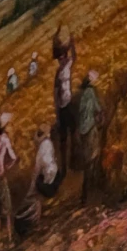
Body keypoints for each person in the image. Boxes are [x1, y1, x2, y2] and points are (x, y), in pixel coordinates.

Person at [73, 69, 105, 205]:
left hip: (82, 130)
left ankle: (85, 195)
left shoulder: (81, 95)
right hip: (90, 128)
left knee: (87, 159)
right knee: (93, 157)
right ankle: (89, 193)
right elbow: (97, 108)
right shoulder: (91, 93)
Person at [0, 114, 18, 248]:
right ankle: (10, 239)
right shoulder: (5, 139)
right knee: (7, 207)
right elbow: (12, 157)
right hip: (0, 174)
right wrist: (10, 165)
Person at [53, 38, 76, 177]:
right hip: (62, 107)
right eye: (60, 58)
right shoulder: (58, 73)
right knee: (63, 140)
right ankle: (64, 167)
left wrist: (72, 44)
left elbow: (74, 56)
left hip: (68, 104)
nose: (61, 60)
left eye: (63, 57)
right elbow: (55, 93)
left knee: (73, 133)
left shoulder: (67, 66)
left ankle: (72, 160)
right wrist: (56, 110)